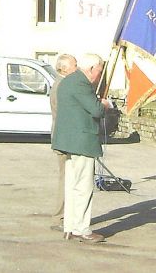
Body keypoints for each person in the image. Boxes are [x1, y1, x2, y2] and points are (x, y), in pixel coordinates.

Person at [51, 53, 111, 243]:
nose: (99, 76)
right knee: (83, 187)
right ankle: (81, 229)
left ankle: (69, 226)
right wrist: (105, 104)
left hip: (69, 141)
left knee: (71, 185)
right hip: (82, 141)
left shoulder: (68, 81)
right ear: (91, 68)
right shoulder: (80, 83)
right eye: (99, 71)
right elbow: (96, 110)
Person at [50, 54, 77, 231]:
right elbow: (65, 113)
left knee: (67, 177)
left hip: (63, 137)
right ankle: (60, 217)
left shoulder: (62, 83)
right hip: (64, 138)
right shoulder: (61, 86)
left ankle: (64, 215)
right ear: (64, 68)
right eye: (75, 65)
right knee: (66, 179)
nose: (77, 68)